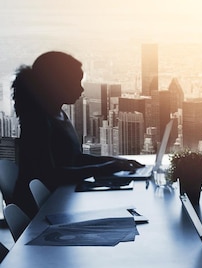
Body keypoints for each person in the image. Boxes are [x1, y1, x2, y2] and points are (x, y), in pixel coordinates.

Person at [11, 51, 144, 217]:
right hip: (41, 211)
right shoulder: (37, 122)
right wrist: (103, 168)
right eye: (76, 82)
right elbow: (49, 175)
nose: (81, 88)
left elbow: (74, 158)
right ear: (57, 83)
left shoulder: (57, 113)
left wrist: (113, 162)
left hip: (59, 200)